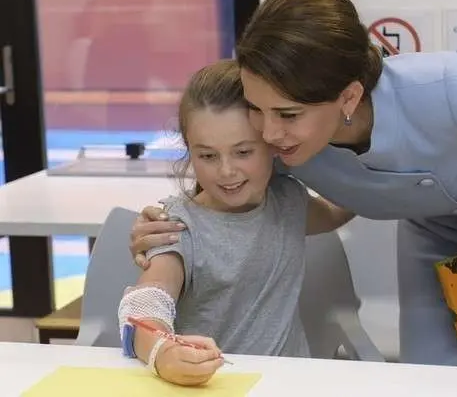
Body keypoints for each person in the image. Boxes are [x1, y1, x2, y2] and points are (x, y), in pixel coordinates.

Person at [128, 0, 457, 370]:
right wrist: (171, 228)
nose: (268, 133)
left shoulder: (443, 89)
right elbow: (229, 188)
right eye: (257, 109)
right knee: (432, 375)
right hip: (436, 228)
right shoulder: (275, 139)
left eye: (288, 114)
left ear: (347, 97)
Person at [117, 60, 352, 386]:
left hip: (290, 385)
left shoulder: (287, 200)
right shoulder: (176, 225)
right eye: (208, 156)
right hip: (212, 387)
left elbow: (338, 210)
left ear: (272, 144)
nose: (226, 171)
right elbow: (147, 300)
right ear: (189, 152)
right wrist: (162, 352)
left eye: (243, 152)